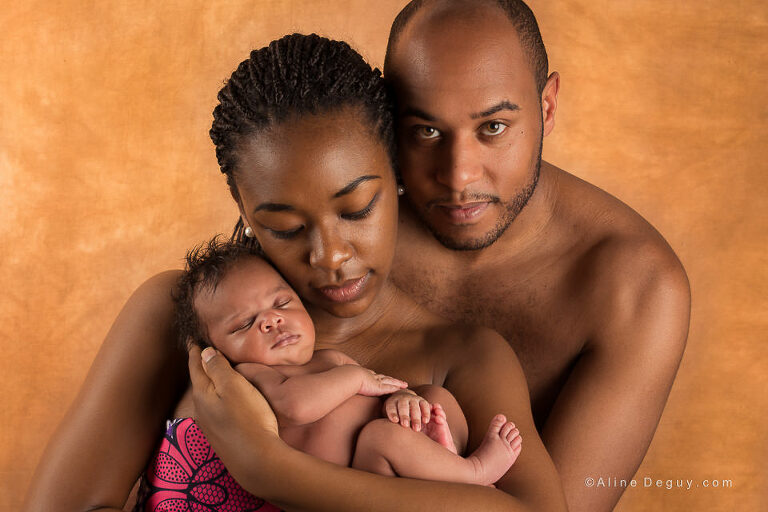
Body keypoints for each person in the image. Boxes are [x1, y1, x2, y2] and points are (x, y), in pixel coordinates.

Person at [23, 34, 567, 511]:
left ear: (396, 173)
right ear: (243, 208)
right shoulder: (187, 311)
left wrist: (271, 471)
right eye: (284, 227)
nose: (329, 256)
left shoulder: (463, 357)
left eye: (356, 210)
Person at [383, 1, 691, 510]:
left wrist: (278, 471)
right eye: (426, 131)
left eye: (494, 128)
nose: (459, 176)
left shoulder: (634, 285)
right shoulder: (344, 230)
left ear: (547, 105)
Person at [136, 237, 522, 509]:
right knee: (380, 437)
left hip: (403, 472)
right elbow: (295, 407)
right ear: (216, 352)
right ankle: (474, 474)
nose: (271, 320)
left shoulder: (331, 359)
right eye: (244, 324)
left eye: (282, 303)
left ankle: (447, 456)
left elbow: (379, 391)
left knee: (434, 399)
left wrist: (403, 400)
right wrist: (358, 379)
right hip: (361, 480)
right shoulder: (252, 377)